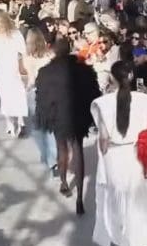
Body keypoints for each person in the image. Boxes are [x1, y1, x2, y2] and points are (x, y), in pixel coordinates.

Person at [90, 61, 147, 246]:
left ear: (111, 78)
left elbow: (103, 139)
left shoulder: (102, 103)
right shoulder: (142, 99)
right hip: (136, 155)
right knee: (138, 202)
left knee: (119, 202)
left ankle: (129, 244)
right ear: (131, 76)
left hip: (115, 156)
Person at [35, 39, 101, 215]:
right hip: (78, 114)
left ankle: (64, 182)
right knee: (77, 148)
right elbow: (94, 93)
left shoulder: (45, 72)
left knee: (61, 148)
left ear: (54, 51)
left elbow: (41, 96)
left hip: (57, 116)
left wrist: (46, 115)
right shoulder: (84, 70)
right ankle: (80, 198)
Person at [0, 10, 28, 137]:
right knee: (18, 95)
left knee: (5, 98)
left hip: (1, 71)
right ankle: (21, 121)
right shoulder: (16, 33)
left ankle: (10, 125)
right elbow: (23, 50)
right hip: (14, 67)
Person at [23, 28, 57, 172]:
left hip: (33, 92)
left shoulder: (26, 57)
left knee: (37, 128)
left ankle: (45, 154)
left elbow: (26, 74)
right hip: (48, 92)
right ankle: (52, 158)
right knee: (50, 128)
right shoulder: (49, 56)